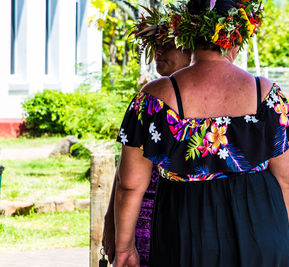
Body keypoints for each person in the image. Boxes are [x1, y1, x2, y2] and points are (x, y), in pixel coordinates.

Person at [113, 0, 289, 266]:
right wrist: (278, 235)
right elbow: (288, 179)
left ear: (184, 34)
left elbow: (130, 183)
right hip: (264, 233)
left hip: (185, 235)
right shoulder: (268, 95)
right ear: (238, 36)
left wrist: (124, 248)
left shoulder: (155, 97)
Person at [101, 9, 191, 266]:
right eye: (155, 46)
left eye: (167, 46)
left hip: (176, 219)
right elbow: (125, 173)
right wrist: (112, 221)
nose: (158, 53)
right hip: (140, 216)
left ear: (190, 49)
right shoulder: (150, 98)